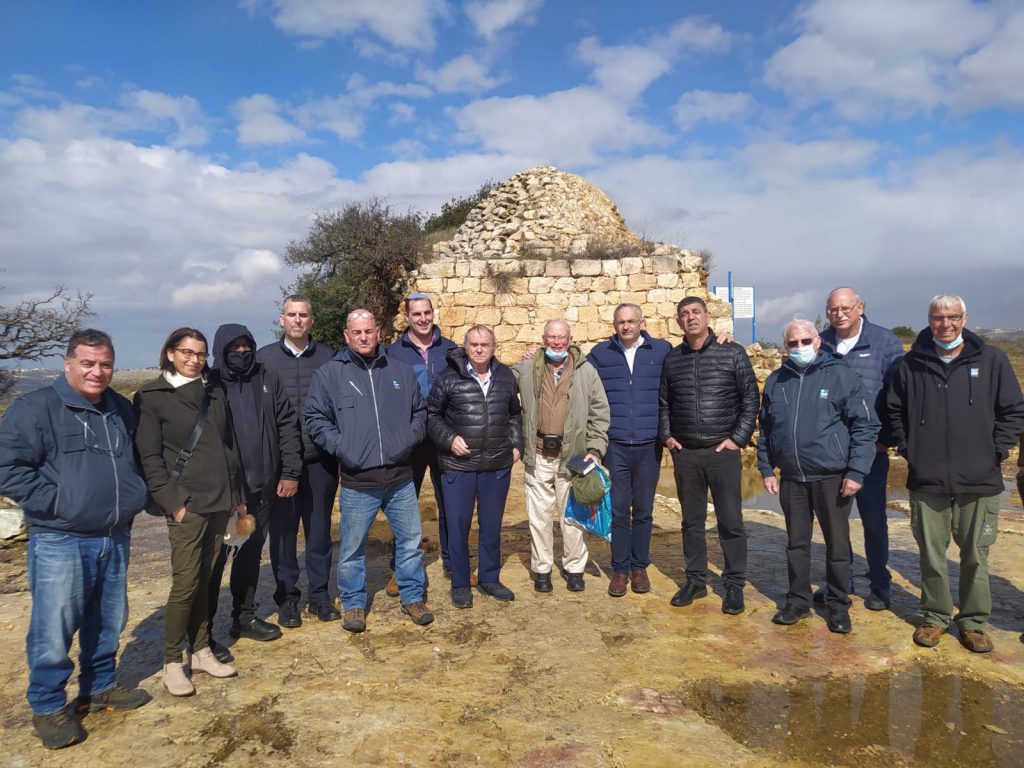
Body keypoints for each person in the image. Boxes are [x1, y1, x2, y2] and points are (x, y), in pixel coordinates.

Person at [0, 330, 151, 749]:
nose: (97, 372)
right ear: (67, 363)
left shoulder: (119, 408)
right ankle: (48, 705)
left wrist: (136, 496)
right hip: (60, 539)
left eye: (105, 364)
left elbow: (135, 460)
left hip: (114, 534)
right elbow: (8, 467)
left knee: (107, 619)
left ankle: (100, 685)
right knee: (54, 626)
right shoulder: (36, 408)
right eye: (88, 363)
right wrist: (61, 503)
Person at [885, 294, 1024, 652]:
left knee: (976, 553)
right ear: (928, 320)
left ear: (965, 318)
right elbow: (893, 411)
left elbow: (1012, 411)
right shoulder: (909, 364)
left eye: (952, 317)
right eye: (937, 317)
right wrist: (908, 448)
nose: (945, 324)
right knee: (931, 553)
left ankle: (974, 622)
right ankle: (934, 617)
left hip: (980, 478)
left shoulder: (991, 360)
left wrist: (996, 450)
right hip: (927, 477)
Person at [305, 308, 433, 632]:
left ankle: (413, 596)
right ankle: (353, 604)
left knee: (409, 542)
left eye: (369, 331)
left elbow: (420, 412)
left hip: (400, 478)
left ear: (379, 333)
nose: (364, 337)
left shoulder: (400, 371)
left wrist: (408, 440)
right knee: (351, 548)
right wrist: (343, 448)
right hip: (357, 481)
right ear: (347, 336)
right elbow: (315, 418)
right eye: (357, 332)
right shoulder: (329, 374)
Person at [135, 327, 244, 696]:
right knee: (185, 584)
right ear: (169, 353)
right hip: (188, 506)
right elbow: (149, 459)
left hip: (219, 501)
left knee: (206, 579)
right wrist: (174, 503)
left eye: (200, 353)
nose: (194, 359)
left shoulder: (213, 390)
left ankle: (200, 649)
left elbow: (227, 446)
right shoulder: (151, 397)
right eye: (186, 352)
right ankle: (171, 661)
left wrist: (236, 494)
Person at [757, 319, 879, 634]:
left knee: (837, 545)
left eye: (805, 341)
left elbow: (865, 426)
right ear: (785, 347)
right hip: (793, 478)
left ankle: (838, 606)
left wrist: (856, 471)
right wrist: (767, 469)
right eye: (792, 343)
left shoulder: (840, 376)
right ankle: (797, 602)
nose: (799, 348)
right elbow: (767, 431)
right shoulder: (776, 382)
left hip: (832, 478)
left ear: (817, 341)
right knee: (796, 544)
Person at [659, 297, 759, 614]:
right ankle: (696, 581)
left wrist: (737, 439)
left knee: (731, 521)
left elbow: (751, 400)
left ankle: (733, 585)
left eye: (696, 312)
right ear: (678, 322)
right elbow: (663, 403)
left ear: (707, 316)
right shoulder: (673, 359)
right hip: (686, 453)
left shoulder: (732, 352)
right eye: (684, 314)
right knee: (692, 522)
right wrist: (668, 437)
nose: (690, 318)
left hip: (722, 453)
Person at [207, 324, 302, 650]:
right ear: (221, 350)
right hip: (224, 495)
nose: (242, 354)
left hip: (259, 490)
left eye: (247, 347)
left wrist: (289, 471)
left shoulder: (267, 379)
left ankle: (242, 617)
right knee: (215, 561)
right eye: (234, 348)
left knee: (248, 556)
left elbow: (288, 424)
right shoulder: (209, 384)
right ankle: (202, 633)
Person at [818, 287, 905, 610]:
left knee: (873, 521)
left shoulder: (885, 342)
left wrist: (888, 439)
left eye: (845, 308)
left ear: (860, 308)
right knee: (834, 522)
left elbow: (898, 395)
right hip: (830, 451)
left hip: (871, 450)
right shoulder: (820, 342)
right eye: (833, 309)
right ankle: (841, 581)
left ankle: (880, 585)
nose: (839, 314)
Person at [257, 295, 340, 626]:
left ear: (312, 321)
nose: (297, 320)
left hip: (321, 461)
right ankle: (287, 598)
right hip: (280, 465)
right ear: (281, 319)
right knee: (283, 534)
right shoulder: (263, 360)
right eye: (291, 315)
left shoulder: (330, 358)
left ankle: (319, 596)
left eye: (303, 315)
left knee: (319, 532)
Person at [427, 325, 524, 607]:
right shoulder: (448, 377)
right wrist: (449, 439)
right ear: (465, 347)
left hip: (496, 465)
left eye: (484, 344)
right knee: (458, 527)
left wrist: (516, 444)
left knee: (491, 525)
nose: (479, 349)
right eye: (473, 344)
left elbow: (514, 414)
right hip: (459, 466)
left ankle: (489, 578)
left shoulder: (506, 376)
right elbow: (432, 415)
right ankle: (460, 582)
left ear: (494, 347)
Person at [514, 318, 609, 593]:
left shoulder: (586, 372)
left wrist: (595, 450)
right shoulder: (526, 368)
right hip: (539, 454)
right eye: (552, 337)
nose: (556, 342)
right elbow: (500, 386)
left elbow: (600, 414)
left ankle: (574, 568)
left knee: (572, 517)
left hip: (573, 457)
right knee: (539, 517)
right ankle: (542, 569)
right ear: (543, 339)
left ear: (570, 339)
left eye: (562, 337)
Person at [587, 304, 671, 597]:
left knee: (644, 510)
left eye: (631, 321)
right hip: (616, 444)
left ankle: (640, 567)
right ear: (614, 325)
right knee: (620, 510)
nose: (626, 326)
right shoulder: (600, 354)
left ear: (641, 323)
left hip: (649, 444)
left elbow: (691, 359)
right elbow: (576, 375)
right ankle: (620, 569)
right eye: (621, 322)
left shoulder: (662, 351)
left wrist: (719, 335)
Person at [386, 292, 458, 593]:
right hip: (409, 443)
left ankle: (456, 566)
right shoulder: (393, 353)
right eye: (416, 314)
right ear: (407, 317)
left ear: (433, 313)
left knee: (451, 505)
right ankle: (399, 571)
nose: (423, 319)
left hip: (444, 440)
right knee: (402, 507)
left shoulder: (452, 350)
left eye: (427, 312)